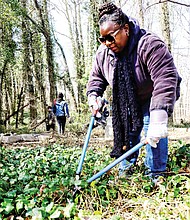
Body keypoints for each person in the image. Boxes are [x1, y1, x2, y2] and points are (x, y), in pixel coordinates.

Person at [87, 2, 182, 181]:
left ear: (126, 29)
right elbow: (97, 78)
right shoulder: (103, 54)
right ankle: (126, 174)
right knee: (127, 134)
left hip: (152, 97)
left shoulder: (149, 45)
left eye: (111, 37)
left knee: (153, 134)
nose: (107, 43)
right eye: (102, 39)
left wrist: (159, 118)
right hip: (126, 100)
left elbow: (165, 78)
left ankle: (156, 177)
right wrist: (94, 96)